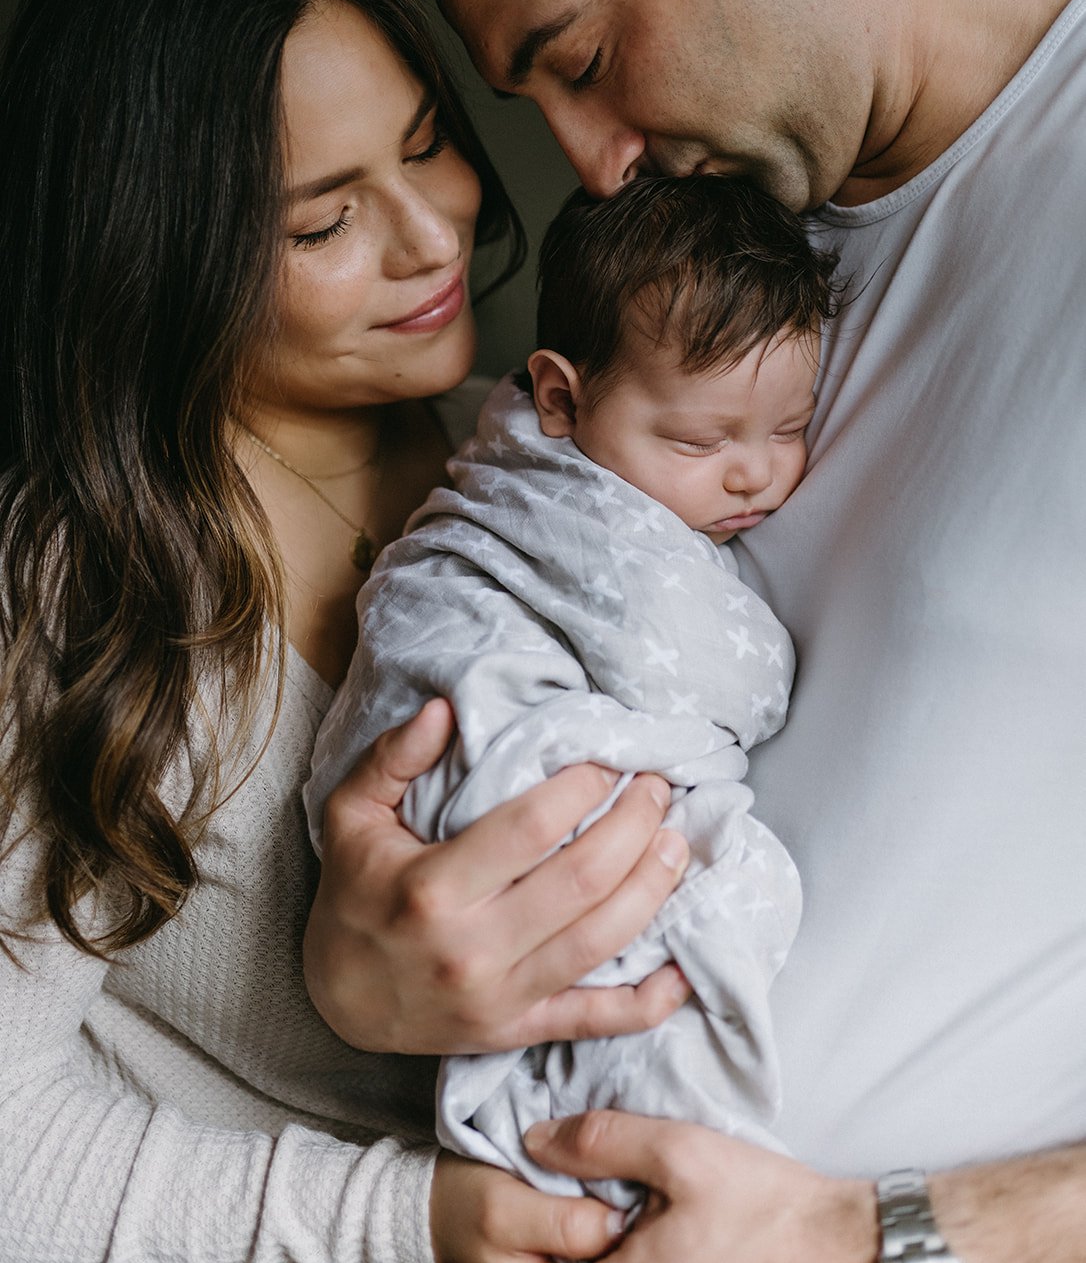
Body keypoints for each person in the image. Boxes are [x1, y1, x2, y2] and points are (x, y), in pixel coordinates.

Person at [302, 0, 1086, 1263]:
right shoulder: (678, 295)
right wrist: (367, 979)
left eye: (582, 60)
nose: (590, 169)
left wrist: (879, 1258)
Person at [0, 0, 696, 1263]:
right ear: (162, 265)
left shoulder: (530, 443)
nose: (435, 234)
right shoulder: (86, 595)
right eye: (323, 225)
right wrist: (414, 1216)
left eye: (428, 142)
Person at [308, 176, 843, 1209]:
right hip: (488, 766)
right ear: (559, 397)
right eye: (699, 440)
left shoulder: (494, 431)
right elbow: (731, 677)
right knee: (728, 891)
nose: (755, 476)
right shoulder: (579, 511)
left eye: (790, 427)